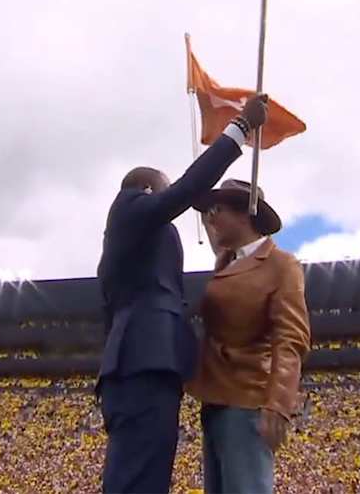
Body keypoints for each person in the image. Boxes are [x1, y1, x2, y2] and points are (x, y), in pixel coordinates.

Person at [96, 94, 269, 494]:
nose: (169, 199)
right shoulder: (128, 207)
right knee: (139, 480)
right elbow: (188, 190)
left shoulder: (128, 254)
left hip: (140, 366)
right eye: (163, 190)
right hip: (144, 366)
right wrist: (240, 128)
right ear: (145, 188)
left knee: (144, 478)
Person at [187, 179, 310, 494]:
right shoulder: (227, 262)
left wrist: (279, 402)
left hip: (246, 402)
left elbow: (291, 337)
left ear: (246, 212)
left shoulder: (281, 265)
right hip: (215, 401)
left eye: (218, 209)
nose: (210, 218)